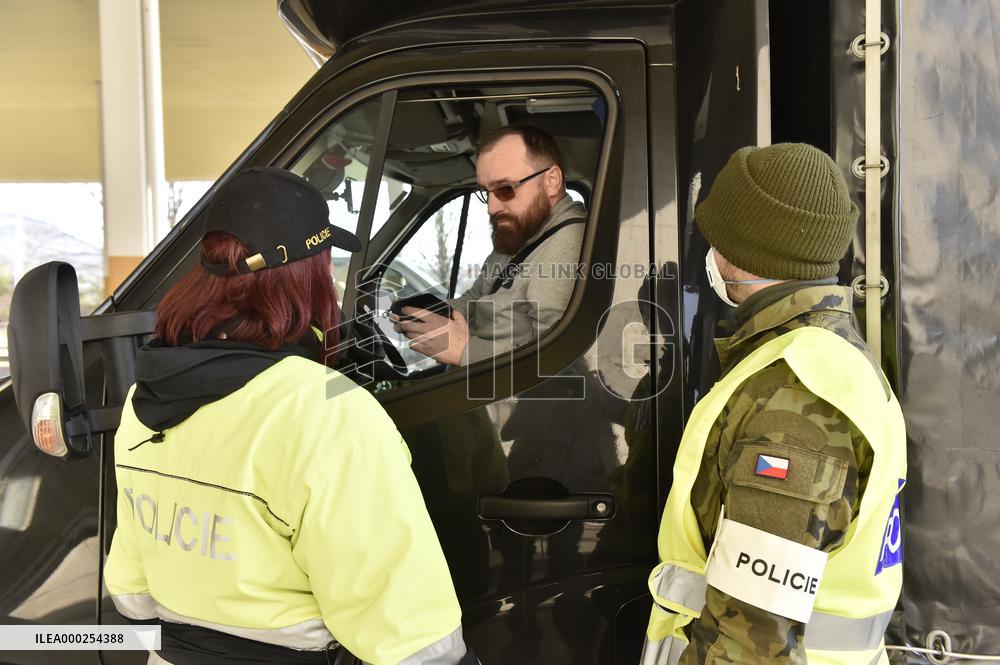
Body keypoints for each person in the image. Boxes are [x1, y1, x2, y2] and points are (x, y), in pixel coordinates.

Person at [103, 167, 477, 665]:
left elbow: (132, 596)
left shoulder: (143, 401)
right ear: (310, 276)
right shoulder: (328, 412)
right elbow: (413, 642)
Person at [641, 144, 906, 665]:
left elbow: (754, 640)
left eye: (716, 239)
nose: (710, 254)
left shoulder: (794, 392)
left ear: (742, 255)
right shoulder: (829, 358)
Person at [392, 125, 587, 366]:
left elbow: (559, 361)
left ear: (552, 181)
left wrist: (465, 350)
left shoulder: (568, 248)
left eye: (505, 189)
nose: (491, 208)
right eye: (486, 192)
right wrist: (431, 317)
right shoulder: (522, 231)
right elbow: (478, 296)